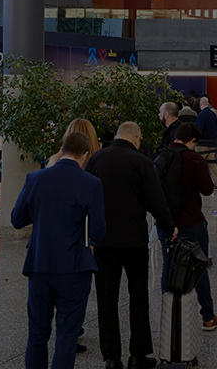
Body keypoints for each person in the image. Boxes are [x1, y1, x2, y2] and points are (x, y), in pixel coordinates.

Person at [86, 122, 177, 369]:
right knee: (138, 296)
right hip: (134, 240)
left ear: (116, 136)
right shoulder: (141, 162)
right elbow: (155, 201)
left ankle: (111, 357)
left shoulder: (96, 159)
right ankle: (138, 355)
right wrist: (170, 228)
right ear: (137, 139)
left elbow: (87, 197)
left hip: (103, 240)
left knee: (106, 298)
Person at [12, 132, 106, 369]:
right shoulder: (91, 183)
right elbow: (98, 233)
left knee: (37, 333)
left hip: (38, 265)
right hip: (74, 269)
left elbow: (17, 219)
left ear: (62, 150)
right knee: (67, 336)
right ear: (85, 155)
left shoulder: (35, 178)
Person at [155, 123, 217, 331]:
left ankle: (168, 314)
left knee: (168, 265)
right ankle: (208, 316)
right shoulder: (195, 159)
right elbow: (207, 189)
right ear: (193, 141)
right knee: (199, 267)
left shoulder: (160, 158)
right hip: (192, 221)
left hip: (166, 223)